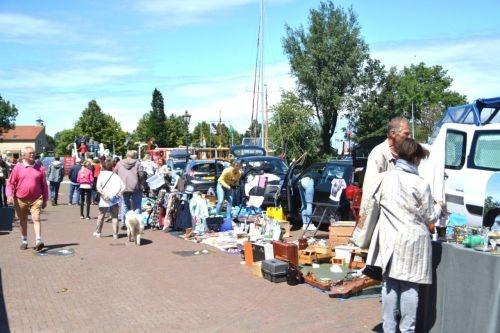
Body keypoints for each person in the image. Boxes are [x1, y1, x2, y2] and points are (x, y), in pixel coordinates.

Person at [364, 138, 442, 333]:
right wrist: (440, 205)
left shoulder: (384, 178)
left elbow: (372, 202)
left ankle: (389, 328)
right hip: (413, 241)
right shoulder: (420, 184)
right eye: (419, 159)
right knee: (409, 287)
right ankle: (407, 330)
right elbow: (430, 216)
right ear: (415, 158)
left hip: (390, 238)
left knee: (389, 285)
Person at [6, 147, 49, 251]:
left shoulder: (40, 168)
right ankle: (24, 240)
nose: (32, 155)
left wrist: (45, 199)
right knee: (23, 220)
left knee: (36, 218)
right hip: (20, 199)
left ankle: (38, 240)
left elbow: (44, 185)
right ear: (24, 155)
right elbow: (10, 183)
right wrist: (9, 195)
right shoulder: (18, 168)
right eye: (30, 153)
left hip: (36, 198)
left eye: (33, 153)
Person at [363, 117, 411, 188]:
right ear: (393, 133)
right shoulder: (378, 154)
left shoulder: (406, 154)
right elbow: (369, 188)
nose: (409, 137)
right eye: (406, 134)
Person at [93, 159, 125, 239]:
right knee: (115, 217)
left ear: (103, 166)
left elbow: (98, 187)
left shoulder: (101, 175)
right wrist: (118, 194)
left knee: (101, 216)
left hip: (104, 199)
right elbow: (123, 187)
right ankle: (115, 234)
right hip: (114, 200)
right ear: (112, 167)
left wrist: (104, 195)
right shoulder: (116, 176)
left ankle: (98, 232)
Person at [115, 150, 143, 228]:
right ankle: (136, 223)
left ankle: (123, 222)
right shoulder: (137, 163)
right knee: (137, 205)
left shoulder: (119, 163)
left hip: (123, 186)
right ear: (134, 155)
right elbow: (141, 174)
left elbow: (115, 173)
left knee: (124, 204)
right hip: (136, 186)